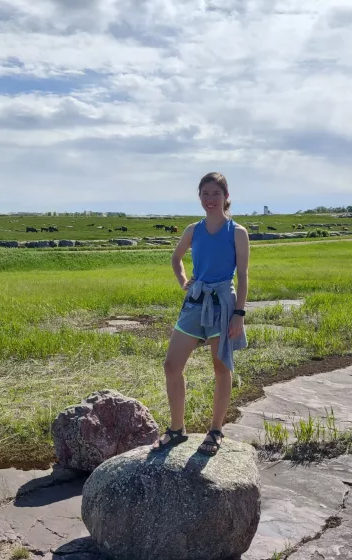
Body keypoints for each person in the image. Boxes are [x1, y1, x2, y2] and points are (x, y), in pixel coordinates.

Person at [152, 172, 250, 456]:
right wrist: (183, 281)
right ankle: (177, 429)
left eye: (215, 194)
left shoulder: (238, 232)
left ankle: (216, 430)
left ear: (226, 196)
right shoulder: (193, 230)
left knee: (221, 368)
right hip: (195, 303)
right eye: (205, 194)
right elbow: (176, 257)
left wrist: (239, 314)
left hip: (223, 304)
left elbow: (243, 276)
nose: (210, 199)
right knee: (172, 365)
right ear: (199, 197)